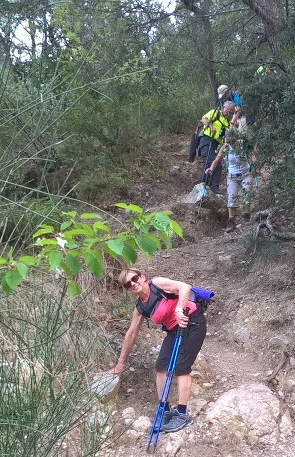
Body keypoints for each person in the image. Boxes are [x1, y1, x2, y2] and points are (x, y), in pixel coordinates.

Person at [108, 268, 207, 433]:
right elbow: (131, 334)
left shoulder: (157, 283)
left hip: (192, 322)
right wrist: (120, 363)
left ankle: (182, 414)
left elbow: (184, 287)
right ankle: (165, 409)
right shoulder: (140, 307)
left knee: (182, 367)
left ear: (142, 276)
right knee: (161, 366)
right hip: (173, 330)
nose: (133, 284)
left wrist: (178, 309)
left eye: (134, 278)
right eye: (127, 284)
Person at [206, 129, 252, 232]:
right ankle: (231, 220)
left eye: (233, 140)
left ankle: (246, 215)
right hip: (232, 176)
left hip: (246, 174)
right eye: (230, 140)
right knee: (231, 197)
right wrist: (210, 169)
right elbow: (217, 159)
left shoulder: (243, 144)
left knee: (247, 192)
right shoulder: (225, 147)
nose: (232, 142)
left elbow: (253, 155)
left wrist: (255, 166)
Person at [197, 100, 235, 195]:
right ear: (223, 108)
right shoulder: (215, 113)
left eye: (231, 112)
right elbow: (204, 119)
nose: (228, 113)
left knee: (218, 165)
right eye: (227, 110)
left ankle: (214, 187)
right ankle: (202, 184)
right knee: (209, 161)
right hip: (207, 139)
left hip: (218, 145)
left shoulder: (228, 123)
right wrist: (211, 126)